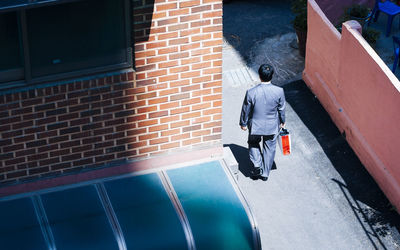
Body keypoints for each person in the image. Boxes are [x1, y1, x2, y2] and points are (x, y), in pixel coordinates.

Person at [239, 64, 286, 181]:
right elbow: (281, 109)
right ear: (272, 76)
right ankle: (265, 173)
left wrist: (243, 123)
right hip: (272, 126)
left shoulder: (251, 92)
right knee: (270, 148)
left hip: (255, 125)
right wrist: (282, 121)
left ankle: (257, 165)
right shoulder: (279, 91)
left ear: (259, 76)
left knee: (253, 143)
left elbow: (246, 109)